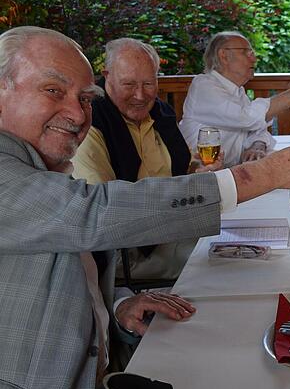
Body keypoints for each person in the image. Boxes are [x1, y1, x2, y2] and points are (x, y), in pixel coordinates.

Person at [0, 26, 290, 389]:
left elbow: (40, 262)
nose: (76, 112)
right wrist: (259, 177)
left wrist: (116, 303)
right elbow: (89, 213)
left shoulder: (33, 170)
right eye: (54, 91)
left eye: (84, 98)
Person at [72, 38, 221, 281]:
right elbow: (106, 209)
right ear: (106, 76)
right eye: (129, 84)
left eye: (149, 83)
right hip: (127, 254)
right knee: (222, 265)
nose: (140, 95)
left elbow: (180, 172)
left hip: (173, 228)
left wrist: (198, 172)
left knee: (243, 246)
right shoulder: (91, 122)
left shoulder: (161, 113)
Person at [179, 30, 290, 166]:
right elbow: (246, 118)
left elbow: (256, 129)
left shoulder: (238, 91)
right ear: (223, 55)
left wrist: (257, 146)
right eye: (246, 52)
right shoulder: (203, 86)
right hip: (197, 177)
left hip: (227, 173)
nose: (254, 58)